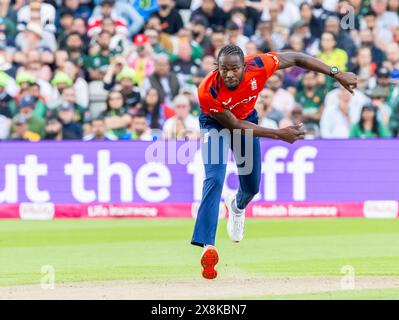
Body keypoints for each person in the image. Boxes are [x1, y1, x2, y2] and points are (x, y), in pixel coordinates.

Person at [194, 44, 357, 279]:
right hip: (216, 124)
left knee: (251, 187)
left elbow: (298, 58)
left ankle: (237, 206)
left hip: (247, 117)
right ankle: (207, 246)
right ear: (217, 67)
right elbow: (234, 125)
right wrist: (279, 134)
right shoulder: (208, 90)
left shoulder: (259, 65)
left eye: (234, 69)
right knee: (215, 176)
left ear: (244, 66)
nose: (229, 74)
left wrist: (336, 72)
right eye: (223, 69)